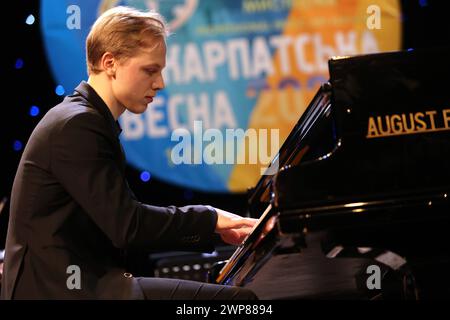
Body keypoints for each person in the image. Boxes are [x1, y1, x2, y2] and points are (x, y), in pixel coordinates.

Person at [1, 6, 258, 300]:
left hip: (85, 284)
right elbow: (128, 226)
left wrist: (213, 228)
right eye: (150, 70)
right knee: (239, 302)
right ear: (110, 62)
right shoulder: (78, 125)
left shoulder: (87, 119)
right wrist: (210, 219)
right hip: (60, 291)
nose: (160, 83)